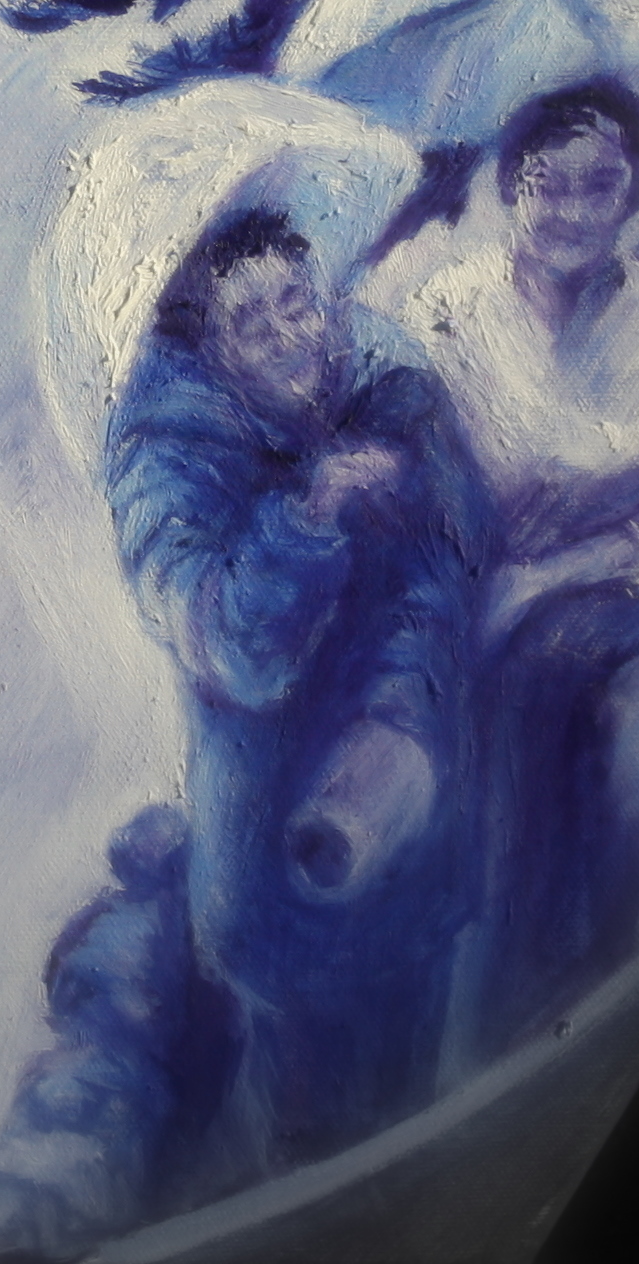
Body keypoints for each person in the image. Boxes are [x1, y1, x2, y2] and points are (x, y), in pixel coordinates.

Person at [98, 205, 483, 1185]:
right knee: (315, 1152)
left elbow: (460, 557)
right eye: (250, 322)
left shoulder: (390, 387)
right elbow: (231, 651)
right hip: (276, 863)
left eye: (294, 303)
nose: (286, 336)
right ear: (207, 345)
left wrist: (399, 715)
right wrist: (309, 516)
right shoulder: (164, 456)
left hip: (412, 824)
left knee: (423, 1124)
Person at [402, 79, 639, 1055]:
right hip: (452, 601)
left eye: (600, 186)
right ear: (510, 186)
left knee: (596, 747)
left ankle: (576, 1010)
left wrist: (558, 573)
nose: (571, 211)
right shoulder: (446, 314)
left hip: (610, 607)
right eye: (546, 184)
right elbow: (404, 471)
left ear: (634, 194)